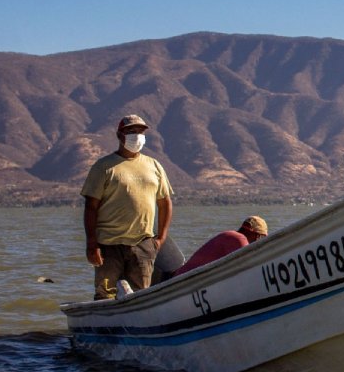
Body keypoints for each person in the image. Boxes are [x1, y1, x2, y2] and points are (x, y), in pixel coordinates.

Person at [81, 114, 174, 300]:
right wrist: (92, 243)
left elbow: (164, 202)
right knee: (105, 295)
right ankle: (104, 327)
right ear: (119, 135)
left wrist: (161, 239)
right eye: (131, 131)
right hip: (108, 244)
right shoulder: (104, 167)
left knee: (140, 298)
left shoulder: (154, 165)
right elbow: (91, 207)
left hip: (143, 244)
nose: (137, 136)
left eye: (140, 131)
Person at [171, 216, 269, 278]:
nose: (258, 241)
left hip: (184, 278)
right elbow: (248, 265)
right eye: (261, 237)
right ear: (256, 234)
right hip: (183, 281)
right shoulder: (239, 239)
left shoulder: (231, 235)